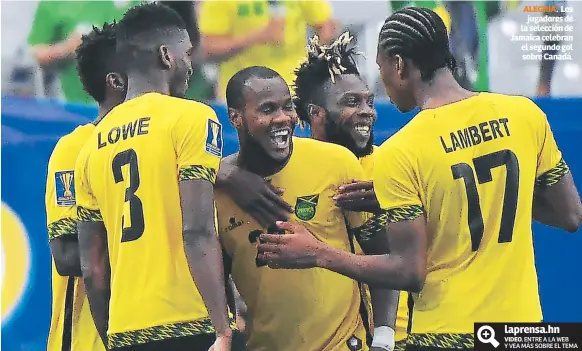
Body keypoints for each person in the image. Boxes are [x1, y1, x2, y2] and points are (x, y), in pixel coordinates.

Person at [257, 6, 582, 351]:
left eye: (381, 70)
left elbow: (409, 272)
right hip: (522, 333)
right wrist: (466, 194)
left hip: (444, 334)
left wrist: (318, 253)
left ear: (399, 66)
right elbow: (571, 216)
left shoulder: (403, 150)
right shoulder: (525, 115)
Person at [74, 3, 232, 351]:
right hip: (192, 321)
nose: (191, 64)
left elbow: (94, 268)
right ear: (166, 55)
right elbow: (197, 230)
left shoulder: (89, 148)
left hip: (126, 330)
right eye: (187, 53)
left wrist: (112, 340)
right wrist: (223, 328)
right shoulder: (192, 117)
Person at [215, 66, 386, 351]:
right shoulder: (218, 192)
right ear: (235, 117)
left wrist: (383, 339)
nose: (282, 118)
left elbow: (383, 256)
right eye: (268, 109)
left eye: (287, 107)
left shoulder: (336, 163)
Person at [292, 32, 407, 351]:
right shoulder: (291, 170)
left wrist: (395, 202)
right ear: (315, 113)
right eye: (351, 102)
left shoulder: (394, 165)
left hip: (400, 338)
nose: (368, 111)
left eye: (369, 101)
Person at [44, 21, 126, 351]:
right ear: (116, 81)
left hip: (145, 330)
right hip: (86, 340)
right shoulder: (73, 148)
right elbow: (65, 255)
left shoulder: (163, 140)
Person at [198, 0, 336, 101]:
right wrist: (257, 37)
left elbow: (326, 26)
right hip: (243, 93)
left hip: (296, 91)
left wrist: (316, 58)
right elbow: (209, 48)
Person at [27, 0, 138, 103]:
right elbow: (35, 52)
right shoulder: (56, 4)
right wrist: (66, 48)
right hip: (73, 103)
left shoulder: (138, 4)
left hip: (130, 101)